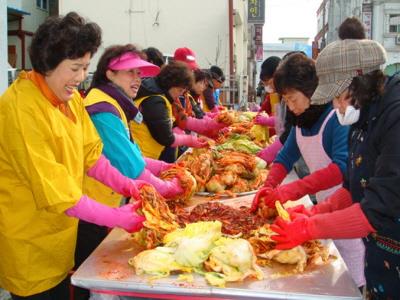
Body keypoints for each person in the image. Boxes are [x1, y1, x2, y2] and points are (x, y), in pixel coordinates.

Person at [0, 12, 147, 300]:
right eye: (75, 68)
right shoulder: (19, 109)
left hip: (62, 238)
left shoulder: (70, 101)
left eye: (86, 68)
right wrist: (116, 216)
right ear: (48, 64)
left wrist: (129, 186)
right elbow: (59, 193)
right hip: (31, 247)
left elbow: (92, 157)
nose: (80, 78)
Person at [268, 39, 399, 299]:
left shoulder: (394, 118)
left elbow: (378, 208)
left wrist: (310, 227)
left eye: (338, 96)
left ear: (360, 83)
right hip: (379, 257)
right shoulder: (363, 117)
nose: (337, 105)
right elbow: (352, 188)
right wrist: (313, 212)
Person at [251, 53, 365, 288]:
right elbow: (285, 157)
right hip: (324, 210)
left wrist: (293, 190)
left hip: (350, 214)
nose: (291, 107)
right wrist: (268, 187)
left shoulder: (336, 118)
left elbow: (341, 169)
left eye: (293, 99)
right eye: (286, 101)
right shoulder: (302, 121)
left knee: (355, 279)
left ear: (311, 91)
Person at [132, 62, 208, 162]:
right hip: (142, 155)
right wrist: (189, 140)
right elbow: (166, 138)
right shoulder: (156, 101)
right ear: (170, 84)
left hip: (145, 154)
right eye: (179, 90)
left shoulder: (157, 94)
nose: (180, 95)